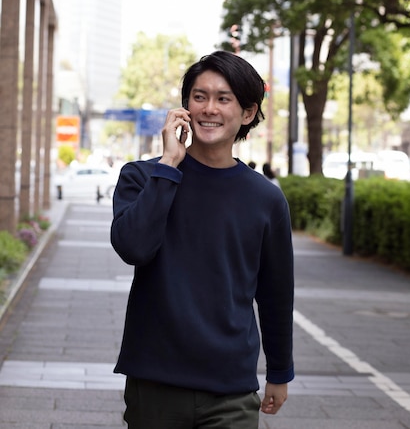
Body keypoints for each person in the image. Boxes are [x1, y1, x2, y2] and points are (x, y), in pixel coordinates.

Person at [111, 50, 294, 429]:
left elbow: (276, 292)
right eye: (199, 96)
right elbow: (133, 248)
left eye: (223, 98)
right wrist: (168, 167)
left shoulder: (265, 198)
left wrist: (280, 369)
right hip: (154, 380)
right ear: (184, 108)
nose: (209, 108)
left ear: (247, 113)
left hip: (231, 388)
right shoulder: (143, 177)